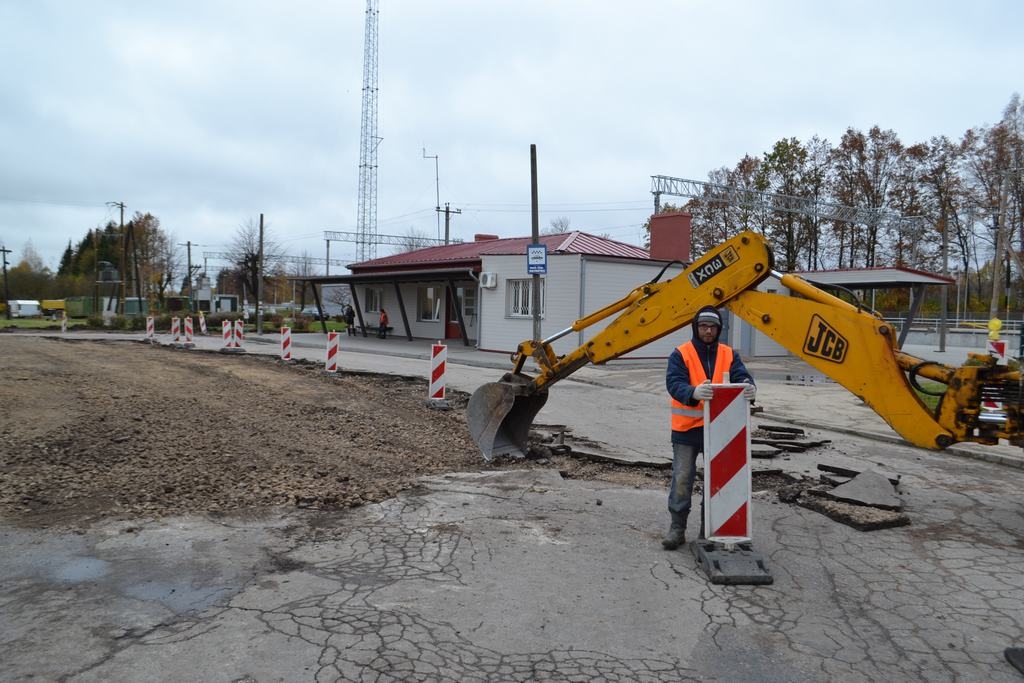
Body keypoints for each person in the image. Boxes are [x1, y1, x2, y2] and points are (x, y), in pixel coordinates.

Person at [662, 305, 756, 550]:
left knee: (717, 482)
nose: (707, 331)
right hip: (686, 429)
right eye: (703, 326)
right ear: (696, 328)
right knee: (682, 479)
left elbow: (741, 376)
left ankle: (708, 531)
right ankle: (677, 529)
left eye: (712, 327)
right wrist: (692, 392)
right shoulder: (681, 354)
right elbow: (673, 383)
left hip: (719, 430)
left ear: (718, 329)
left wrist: (749, 386)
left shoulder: (728, 354)